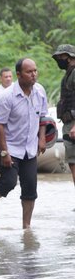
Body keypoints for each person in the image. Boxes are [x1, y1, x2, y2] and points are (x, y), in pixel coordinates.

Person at [0, 58, 48, 230]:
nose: (33, 75)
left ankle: (26, 227)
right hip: (9, 147)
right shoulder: (7, 96)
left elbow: (43, 117)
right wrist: (4, 152)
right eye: (29, 72)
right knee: (8, 182)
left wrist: (42, 138)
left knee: (30, 187)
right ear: (19, 75)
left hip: (30, 148)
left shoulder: (40, 91)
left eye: (35, 71)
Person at [52, 44, 75, 188]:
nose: (59, 60)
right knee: (72, 163)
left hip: (73, 125)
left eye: (61, 57)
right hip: (69, 124)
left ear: (69, 57)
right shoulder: (68, 74)